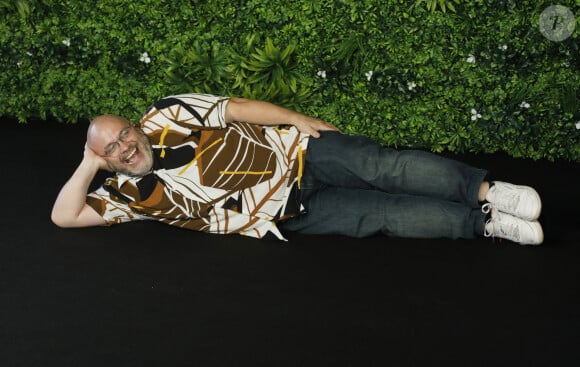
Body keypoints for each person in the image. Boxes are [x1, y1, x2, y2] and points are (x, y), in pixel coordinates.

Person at [51, 93, 544, 245]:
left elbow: (236, 109)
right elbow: (65, 218)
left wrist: (296, 119)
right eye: (111, 150)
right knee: (383, 216)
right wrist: (87, 163)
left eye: (123, 136)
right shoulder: (128, 196)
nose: (124, 148)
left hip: (295, 152)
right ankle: (486, 224)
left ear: (135, 127)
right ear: (106, 160)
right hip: (287, 210)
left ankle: (487, 190)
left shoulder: (167, 114)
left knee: (384, 165)